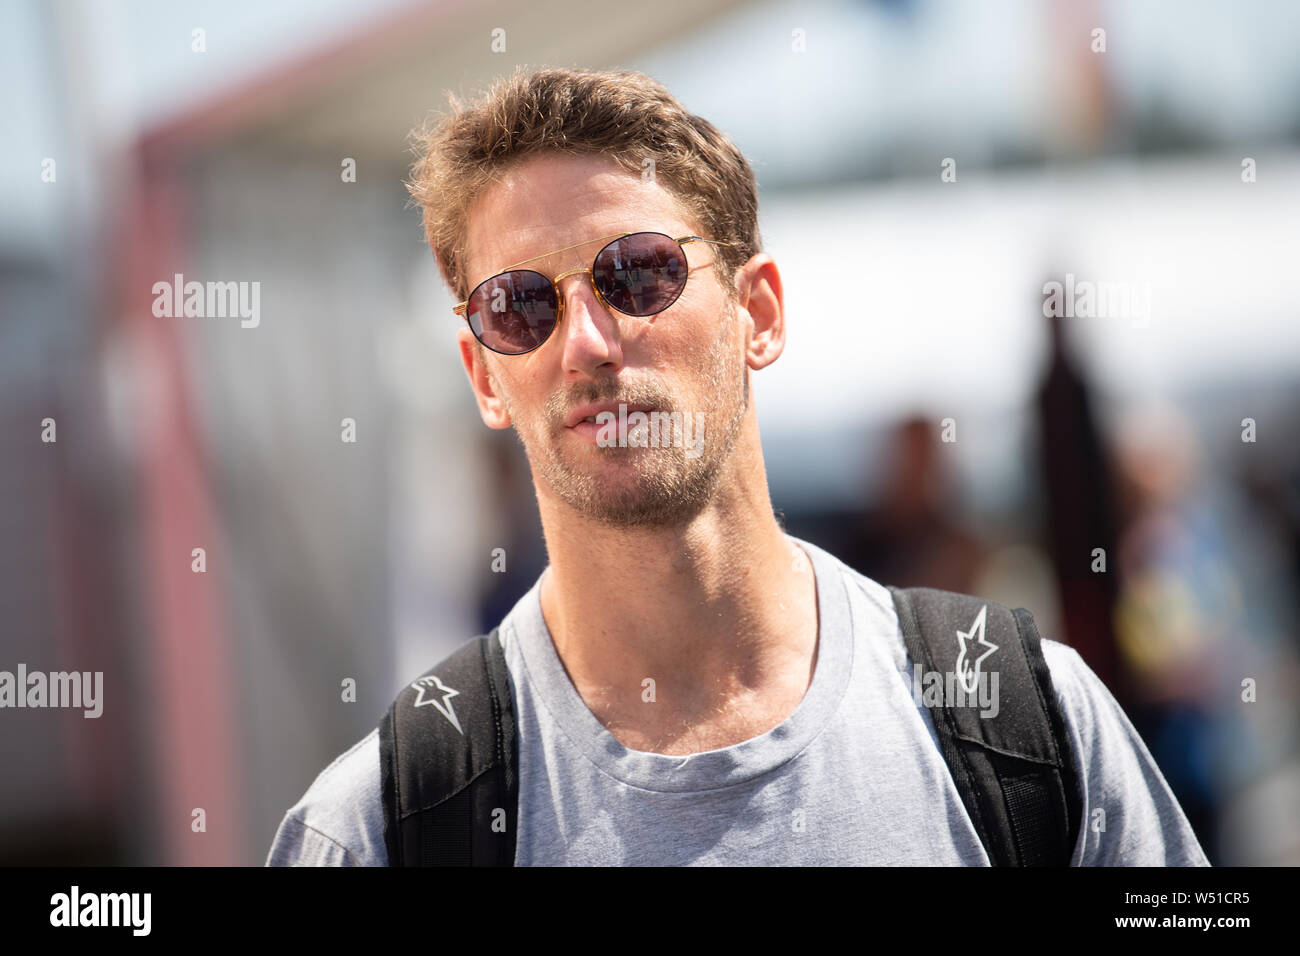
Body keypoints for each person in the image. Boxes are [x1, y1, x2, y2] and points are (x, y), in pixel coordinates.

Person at [266, 67, 1208, 866]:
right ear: (483, 374)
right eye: (518, 305)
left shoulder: (1024, 728)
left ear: (758, 313)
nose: (587, 343)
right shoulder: (388, 825)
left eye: (636, 273)